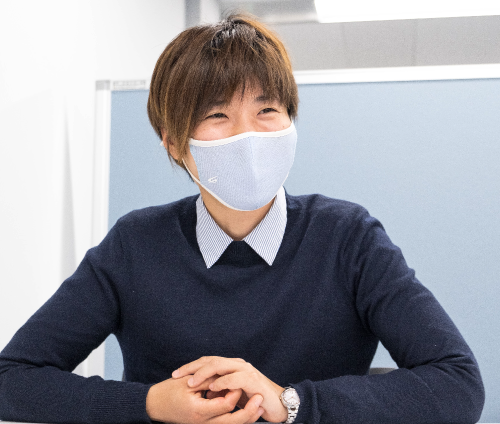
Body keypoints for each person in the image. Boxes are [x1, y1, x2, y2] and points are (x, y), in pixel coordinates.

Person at [0, 14, 485, 424]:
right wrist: (150, 403)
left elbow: (457, 381)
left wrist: (289, 402)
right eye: (218, 115)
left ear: (291, 120)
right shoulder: (135, 245)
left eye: (267, 109)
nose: (248, 136)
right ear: (173, 142)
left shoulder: (348, 238)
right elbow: (12, 377)